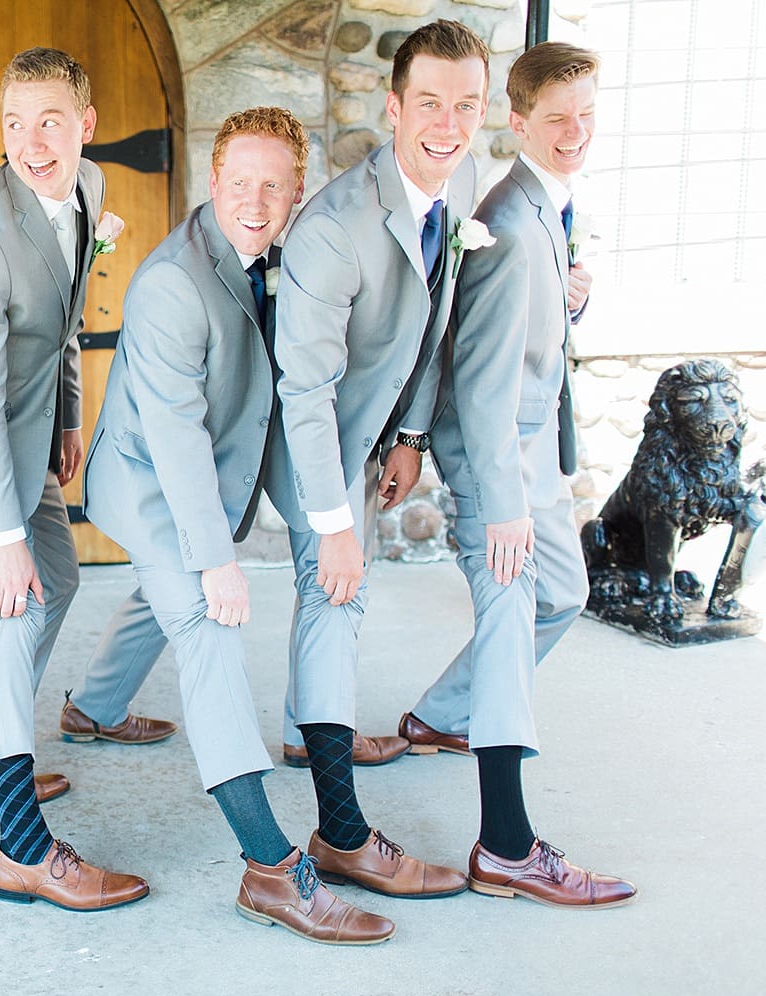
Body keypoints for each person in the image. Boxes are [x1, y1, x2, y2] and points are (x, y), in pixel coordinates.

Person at [84, 107, 391, 943]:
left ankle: (92, 705)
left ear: (296, 193)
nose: (253, 201)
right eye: (237, 184)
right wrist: (215, 559)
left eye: (272, 186)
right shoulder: (170, 285)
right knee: (202, 617)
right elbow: (178, 439)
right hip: (149, 473)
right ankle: (268, 867)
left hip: (201, 469)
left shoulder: (288, 257)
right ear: (210, 183)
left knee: (167, 595)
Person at [0, 46, 147, 911]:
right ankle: (20, 845)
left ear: (84, 126)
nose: (30, 143)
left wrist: (71, 414)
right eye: (13, 123)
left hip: (30, 425)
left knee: (64, 577)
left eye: (48, 121)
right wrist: (0, 536)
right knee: (13, 606)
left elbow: (67, 319)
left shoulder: (88, 192)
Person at [404, 41, 635, 907]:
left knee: (562, 595)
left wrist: (570, 301)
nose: (574, 133)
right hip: (504, 465)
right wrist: (499, 505)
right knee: (510, 619)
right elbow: (484, 379)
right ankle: (505, 844)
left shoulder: (549, 208)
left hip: (537, 457)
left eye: (585, 117)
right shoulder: (505, 222)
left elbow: (531, 333)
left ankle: (441, 714)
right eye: (555, 120)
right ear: (518, 121)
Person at [264, 18, 487, 905]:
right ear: (392, 107)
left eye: (465, 104)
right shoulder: (332, 230)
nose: (447, 122)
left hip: (377, 430)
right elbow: (304, 394)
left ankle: (302, 729)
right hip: (311, 441)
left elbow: (433, 320)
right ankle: (343, 833)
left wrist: (412, 434)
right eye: (428, 102)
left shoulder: (462, 175)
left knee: (330, 611)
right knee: (335, 601)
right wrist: (333, 525)